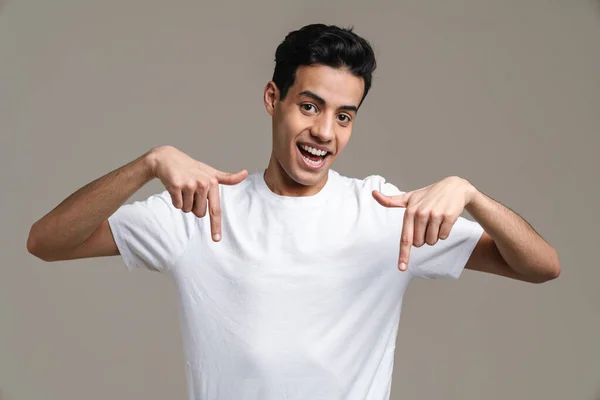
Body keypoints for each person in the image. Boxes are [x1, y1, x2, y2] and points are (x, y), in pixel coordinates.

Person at [26, 23, 560, 400]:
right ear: (272, 98)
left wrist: (471, 195)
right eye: (310, 106)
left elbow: (540, 266)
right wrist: (147, 164)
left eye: (344, 116)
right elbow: (47, 242)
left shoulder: (384, 213)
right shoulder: (201, 209)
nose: (325, 132)